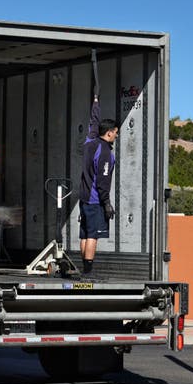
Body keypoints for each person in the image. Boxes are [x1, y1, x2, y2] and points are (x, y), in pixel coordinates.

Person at [79, 95, 118, 276]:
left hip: (84, 198)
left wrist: (95, 102)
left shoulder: (89, 142)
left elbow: (93, 122)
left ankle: (84, 268)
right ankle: (88, 272)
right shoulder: (105, 153)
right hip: (95, 200)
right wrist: (107, 203)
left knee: (84, 234)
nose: (116, 135)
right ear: (109, 132)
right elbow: (103, 180)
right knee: (93, 235)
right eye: (115, 132)